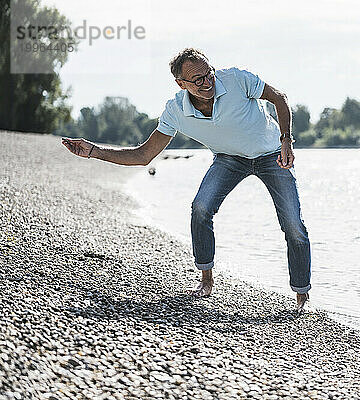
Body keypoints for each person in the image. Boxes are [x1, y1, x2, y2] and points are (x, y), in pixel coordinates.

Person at [62, 48, 312, 313]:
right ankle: (206, 279)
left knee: (293, 224)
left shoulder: (237, 80)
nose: (207, 83)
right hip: (229, 159)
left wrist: (286, 139)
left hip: (272, 155)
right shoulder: (175, 111)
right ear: (181, 84)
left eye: (209, 75)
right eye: (197, 80)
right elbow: (144, 154)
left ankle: (302, 295)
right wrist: (94, 151)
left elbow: (279, 98)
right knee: (201, 208)